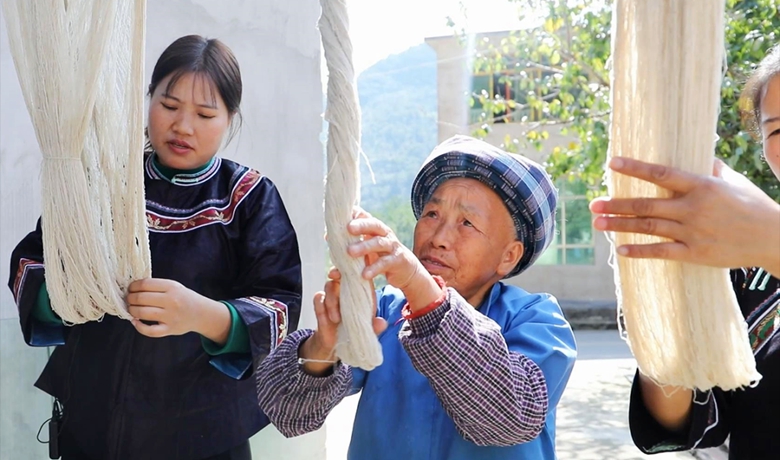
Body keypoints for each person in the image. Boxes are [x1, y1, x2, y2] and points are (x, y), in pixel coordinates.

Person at [8, 35, 302, 460]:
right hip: (90, 431)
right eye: (168, 105)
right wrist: (67, 297)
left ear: (230, 118)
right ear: (147, 100)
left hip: (204, 438)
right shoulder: (105, 183)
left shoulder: (250, 198)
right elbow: (32, 260)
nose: (183, 126)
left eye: (204, 113)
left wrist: (204, 314)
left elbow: (281, 307)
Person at [256, 135, 577, 460]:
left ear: (508, 256)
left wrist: (420, 287)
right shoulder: (385, 310)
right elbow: (288, 415)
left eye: (467, 223)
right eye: (432, 214)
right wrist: (324, 347)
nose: (438, 238)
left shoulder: (538, 319)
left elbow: (510, 417)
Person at [589, 44, 780, 459]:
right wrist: (659, 304)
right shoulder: (745, 269)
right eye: (778, 130)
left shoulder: (760, 242)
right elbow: (692, 425)